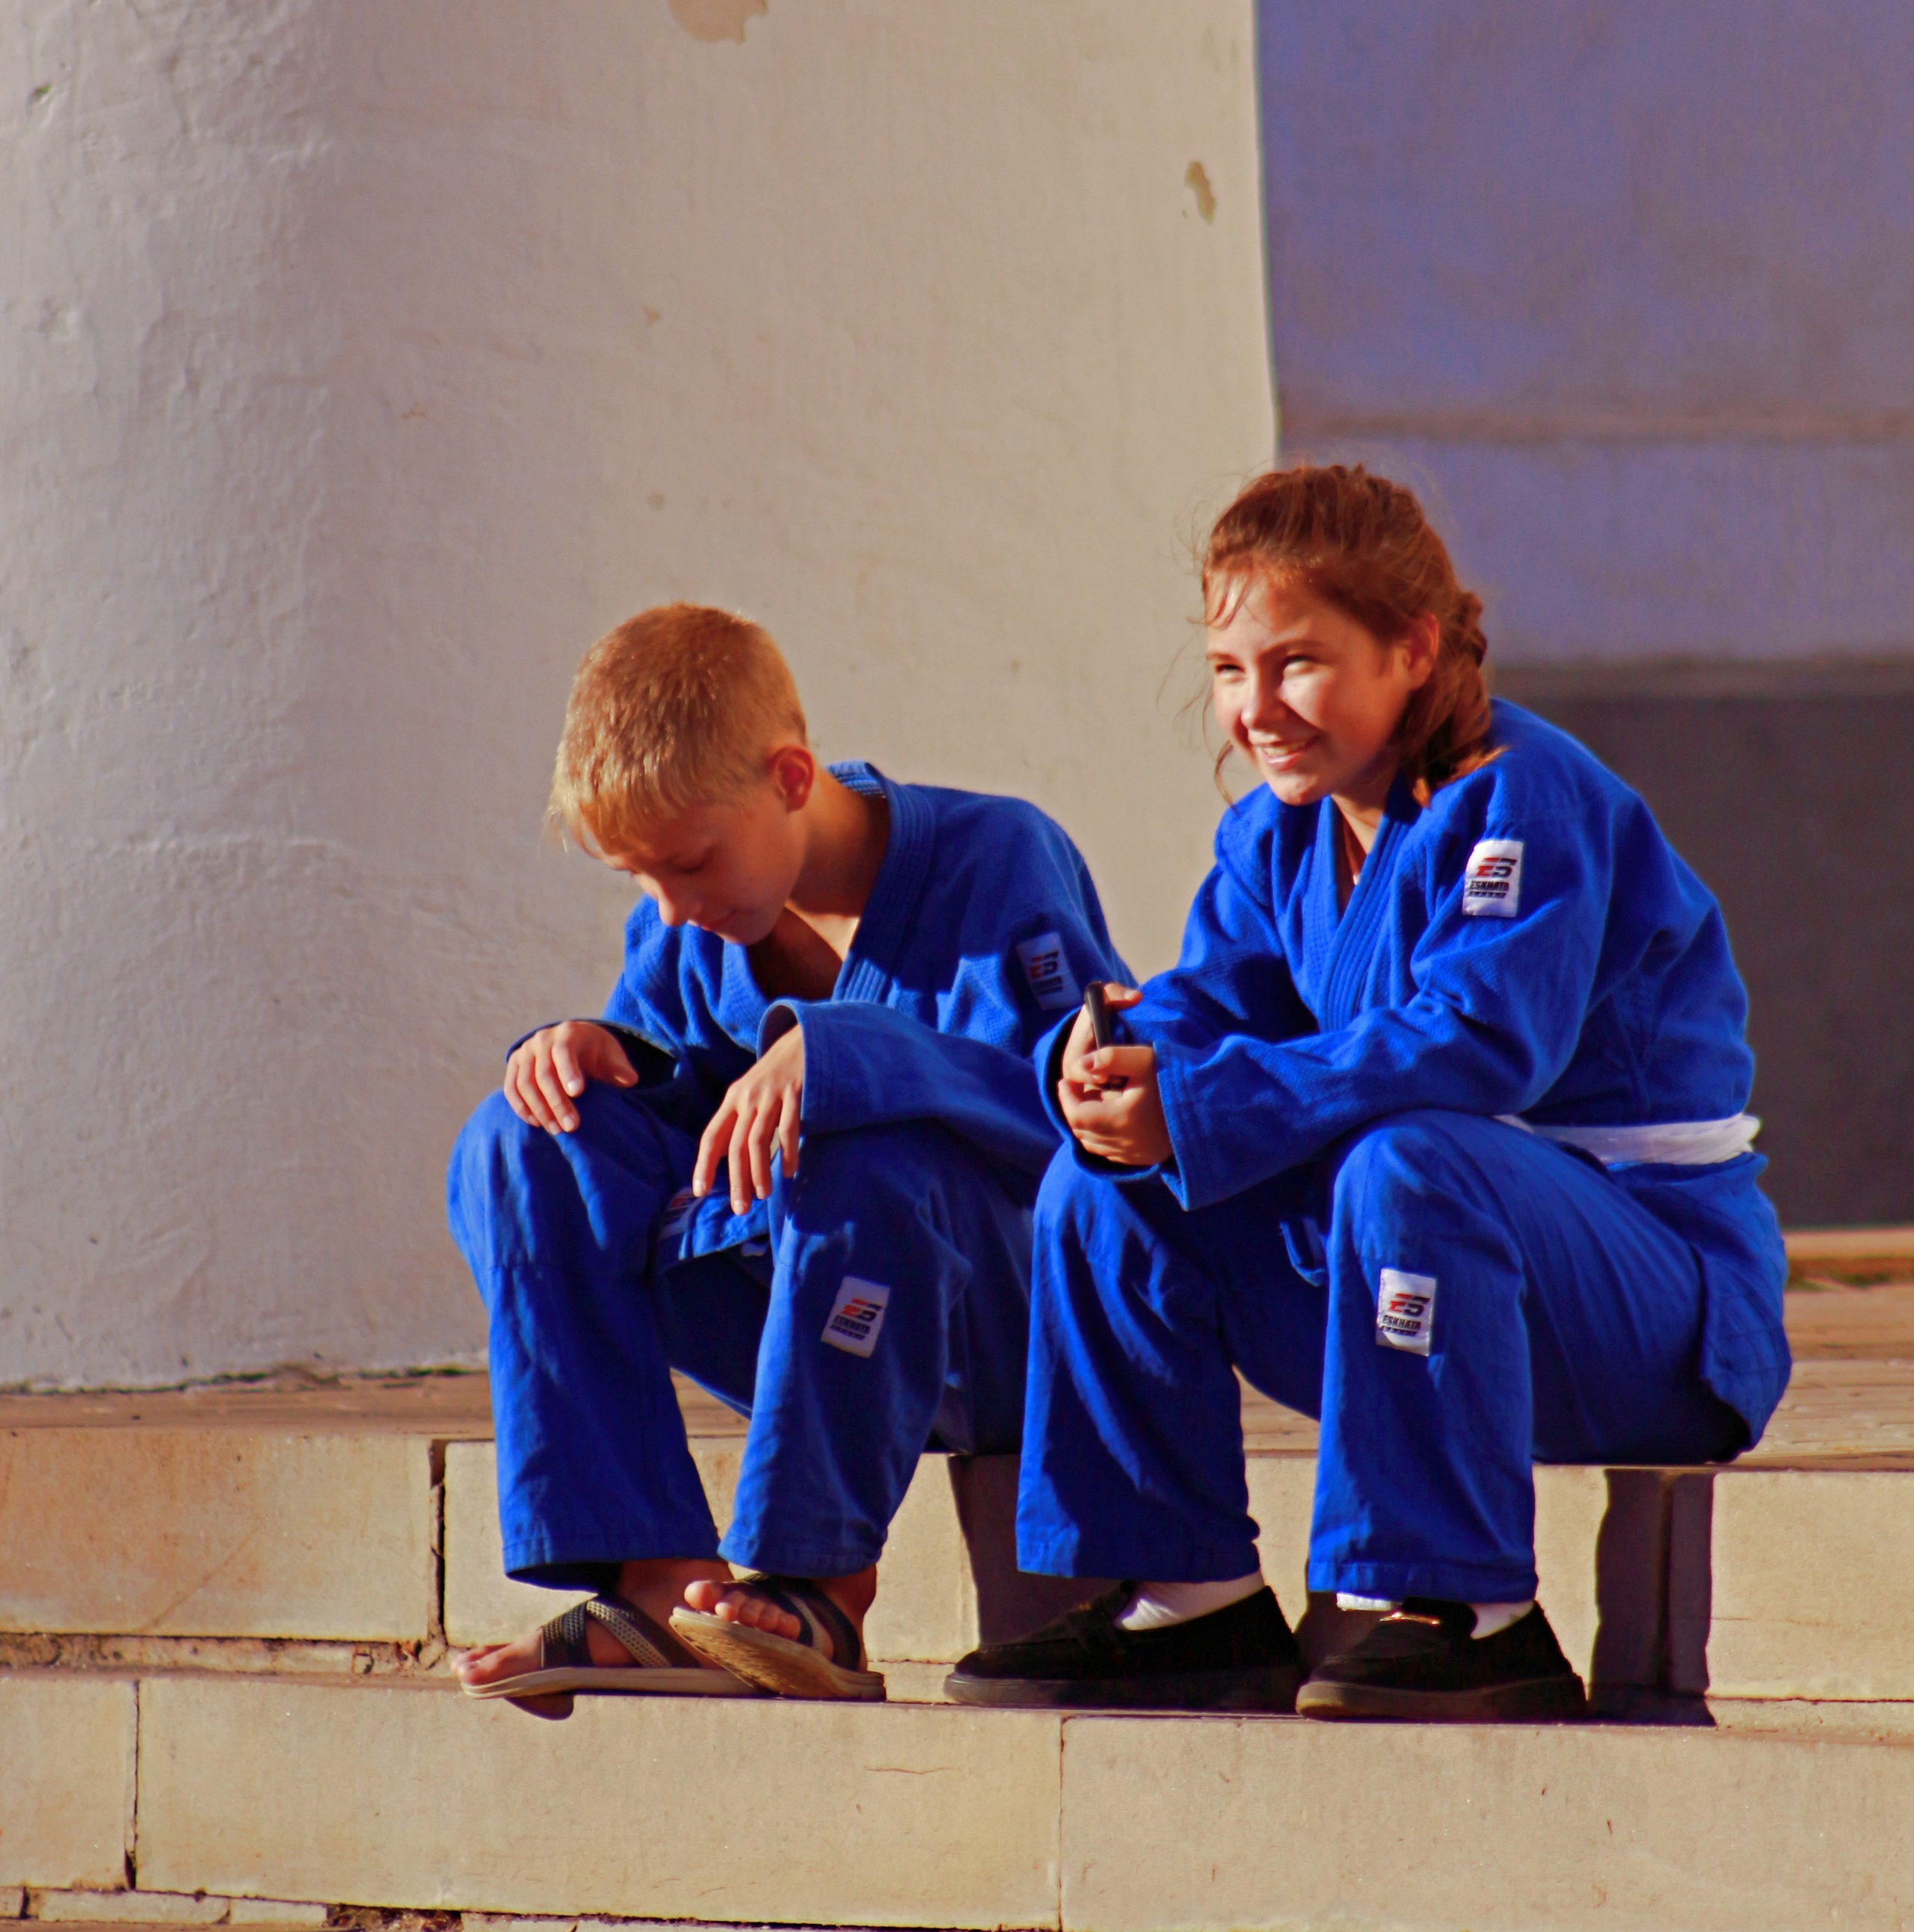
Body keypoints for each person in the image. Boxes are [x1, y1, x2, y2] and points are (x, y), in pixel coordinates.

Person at [947, 465, 1789, 1722]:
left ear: (1414, 646)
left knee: (1413, 1156)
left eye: (1298, 663)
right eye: (1231, 670)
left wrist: (1208, 1099)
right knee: (1103, 1178)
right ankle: (1190, 1598)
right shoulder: (1276, 830)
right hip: (1424, 1302)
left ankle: (1473, 1611)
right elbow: (1208, 1005)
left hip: (1649, 1309)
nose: (1257, 709)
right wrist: (1109, 1067)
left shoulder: (1522, 796)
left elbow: (1481, 1044)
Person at [447, 601, 1126, 1711]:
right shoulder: (689, 927)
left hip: (1002, 1314)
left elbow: (1076, 1121)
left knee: (865, 1149)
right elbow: (673, 1094)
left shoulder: (1001, 861)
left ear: (793, 777)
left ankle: (819, 1586)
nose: (674, 907)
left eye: (692, 863)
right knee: (527, 1140)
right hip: (809, 1318)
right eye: (641, 880)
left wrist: (845, 1055)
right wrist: (601, 1053)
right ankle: (655, 1579)